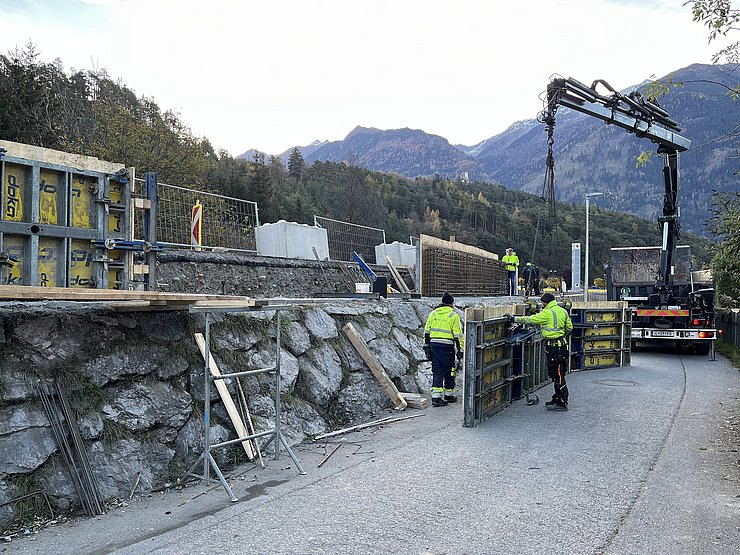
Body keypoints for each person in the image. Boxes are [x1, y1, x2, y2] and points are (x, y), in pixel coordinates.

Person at [510, 292, 573, 411]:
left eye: (542, 303)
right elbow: (569, 328)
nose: (542, 305)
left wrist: (514, 318)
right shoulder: (563, 311)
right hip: (563, 346)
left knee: (558, 375)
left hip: (553, 348)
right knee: (558, 373)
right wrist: (560, 335)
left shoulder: (547, 313)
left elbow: (530, 319)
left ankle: (562, 402)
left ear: (545, 302)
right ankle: (557, 397)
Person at [423, 292, 464, 407]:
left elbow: (426, 332)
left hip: (434, 347)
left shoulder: (433, 314)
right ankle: (449, 395)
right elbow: (458, 335)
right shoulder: (453, 315)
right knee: (449, 371)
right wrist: (460, 350)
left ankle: (436, 397)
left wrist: (426, 347)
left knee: (437, 371)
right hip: (447, 348)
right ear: (451, 304)